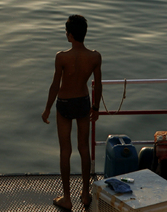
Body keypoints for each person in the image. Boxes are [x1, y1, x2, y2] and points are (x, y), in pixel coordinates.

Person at [42, 14, 103, 211]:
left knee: (65, 150)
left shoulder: (61, 57)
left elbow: (55, 86)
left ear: (69, 35)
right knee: (84, 148)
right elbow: (98, 85)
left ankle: (67, 198)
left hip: (65, 103)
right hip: (83, 103)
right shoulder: (95, 56)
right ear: (84, 34)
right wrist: (96, 108)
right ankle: (85, 195)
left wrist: (47, 108)